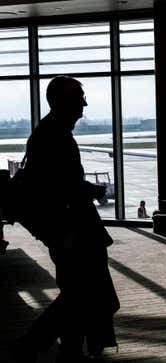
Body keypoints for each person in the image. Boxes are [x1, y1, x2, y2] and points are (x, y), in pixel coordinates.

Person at [10, 76, 119, 363]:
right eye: (79, 98)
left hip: (65, 228)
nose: (84, 104)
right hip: (71, 229)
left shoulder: (48, 133)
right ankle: (34, 344)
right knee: (80, 294)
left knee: (76, 291)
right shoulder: (55, 136)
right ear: (63, 101)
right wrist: (90, 191)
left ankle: (68, 347)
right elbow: (61, 186)